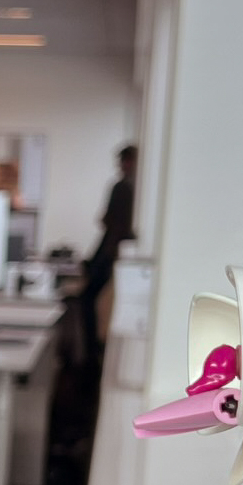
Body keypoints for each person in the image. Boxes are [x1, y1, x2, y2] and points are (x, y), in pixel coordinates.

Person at [78, 144, 138, 367]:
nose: (122, 165)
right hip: (111, 254)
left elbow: (109, 223)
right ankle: (95, 352)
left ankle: (92, 353)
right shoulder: (131, 188)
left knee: (90, 301)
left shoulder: (123, 188)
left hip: (110, 255)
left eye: (125, 161)